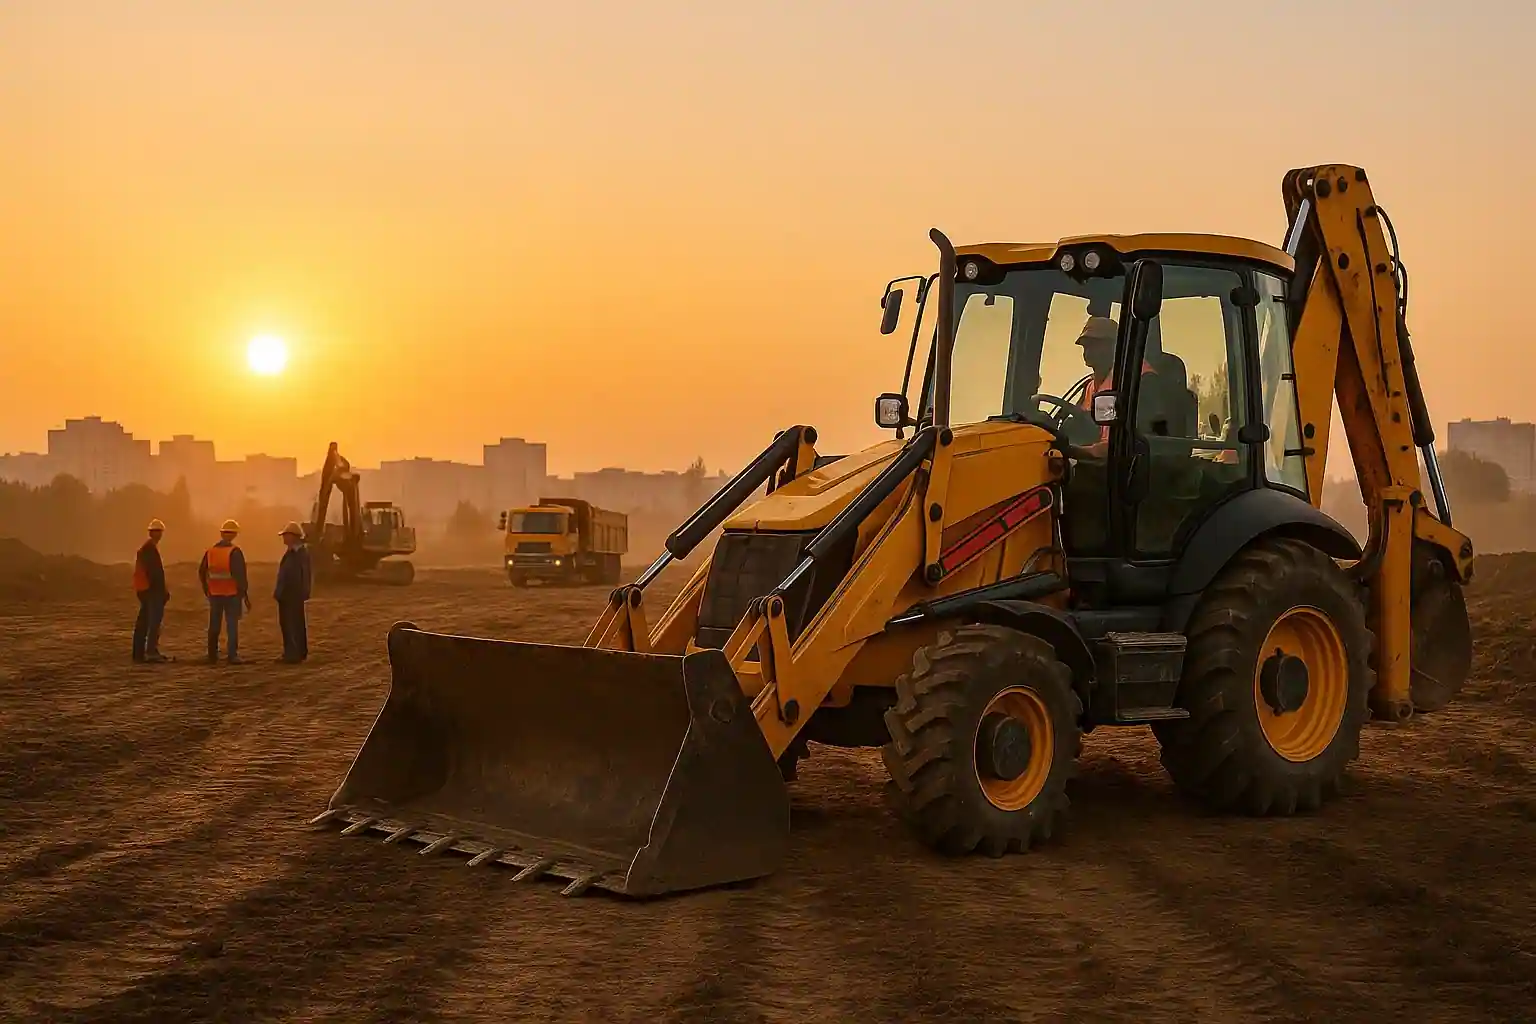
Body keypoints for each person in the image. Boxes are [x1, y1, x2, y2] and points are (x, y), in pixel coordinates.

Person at [1074, 315, 1178, 445]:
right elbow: (1080, 424)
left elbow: (1136, 441)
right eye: (1085, 347)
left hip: (1122, 461)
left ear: (1115, 346)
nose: (1087, 353)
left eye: (1094, 346)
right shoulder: (1089, 386)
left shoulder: (1143, 382)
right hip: (1094, 458)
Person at [199, 519, 250, 664]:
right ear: (234, 535)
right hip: (231, 594)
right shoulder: (235, 552)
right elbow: (240, 575)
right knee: (232, 625)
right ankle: (232, 655)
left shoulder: (210, 551)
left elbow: (202, 571)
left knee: (214, 624)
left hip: (215, 594)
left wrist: (206, 588)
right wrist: (244, 595)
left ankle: (212, 655)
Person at [132, 518, 171, 663]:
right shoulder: (150, 550)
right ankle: (151, 652)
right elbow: (155, 574)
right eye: (157, 532)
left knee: (144, 621)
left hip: (145, 589)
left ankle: (139, 653)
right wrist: (163, 592)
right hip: (151, 591)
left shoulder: (147, 548)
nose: (159, 535)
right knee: (154, 621)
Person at [274, 521, 312, 663]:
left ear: (293, 536)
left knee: (292, 624)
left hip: (292, 594)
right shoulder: (295, 553)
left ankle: (293, 654)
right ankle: (296, 652)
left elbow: (299, 575)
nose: (283, 538)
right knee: (293, 623)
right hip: (288, 594)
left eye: (285, 535)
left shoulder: (299, 554)